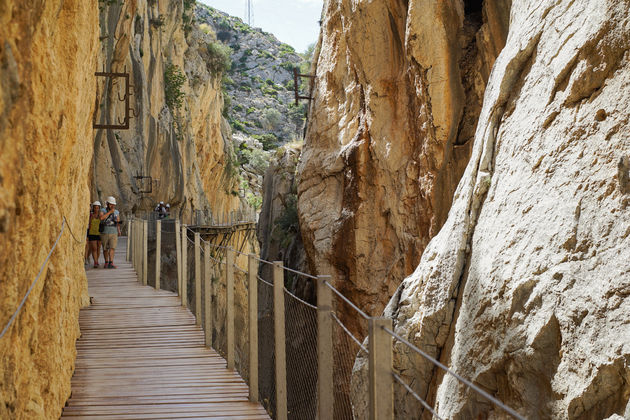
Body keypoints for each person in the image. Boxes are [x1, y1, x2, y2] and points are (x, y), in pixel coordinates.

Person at [100, 196, 121, 268]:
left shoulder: (116, 212)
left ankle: (111, 262)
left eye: (113, 204)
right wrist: (109, 212)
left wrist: (119, 230)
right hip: (105, 232)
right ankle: (106, 262)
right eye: (111, 204)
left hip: (114, 232)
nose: (112, 206)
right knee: (105, 248)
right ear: (108, 204)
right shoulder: (103, 210)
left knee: (112, 247)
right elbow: (101, 218)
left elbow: (118, 221)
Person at [87, 201, 102, 268]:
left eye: (97, 208)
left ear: (99, 208)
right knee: (94, 248)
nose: (96, 209)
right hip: (92, 233)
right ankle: (95, 262)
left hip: (99, 233)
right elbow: (89, 224)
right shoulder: (91, 215)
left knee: (98, 248)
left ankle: (97, 260)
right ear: (93, 208)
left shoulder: (101, 215)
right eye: (95, 208)